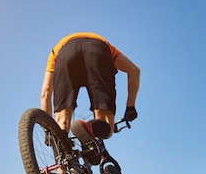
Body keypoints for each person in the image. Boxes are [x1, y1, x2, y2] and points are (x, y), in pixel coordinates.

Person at [40, 32, 140, 165]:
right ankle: (88, 127)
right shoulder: (108, 46)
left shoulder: (54, 52)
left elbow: (45, 93)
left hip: (64, 53)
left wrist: (49, 130)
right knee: (106, 128)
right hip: (97, 48)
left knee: (61, 126)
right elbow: (134, 70)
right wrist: (130, 107)